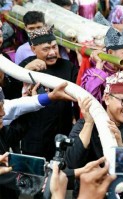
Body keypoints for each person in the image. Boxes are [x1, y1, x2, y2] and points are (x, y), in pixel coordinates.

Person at [66, 70, 123, 197]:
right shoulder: (84, 124)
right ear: (107, 98)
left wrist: (120, 145)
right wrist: (89, 124)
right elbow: (71, 163)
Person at [17, 26, 78, 161]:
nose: (52, 53)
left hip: (62, 136)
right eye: (46, 49)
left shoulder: (68, 67)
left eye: (54, 47)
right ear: (33, 49)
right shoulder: (25, 66)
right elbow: (10, 94)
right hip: (34, 139)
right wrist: (25, 71)